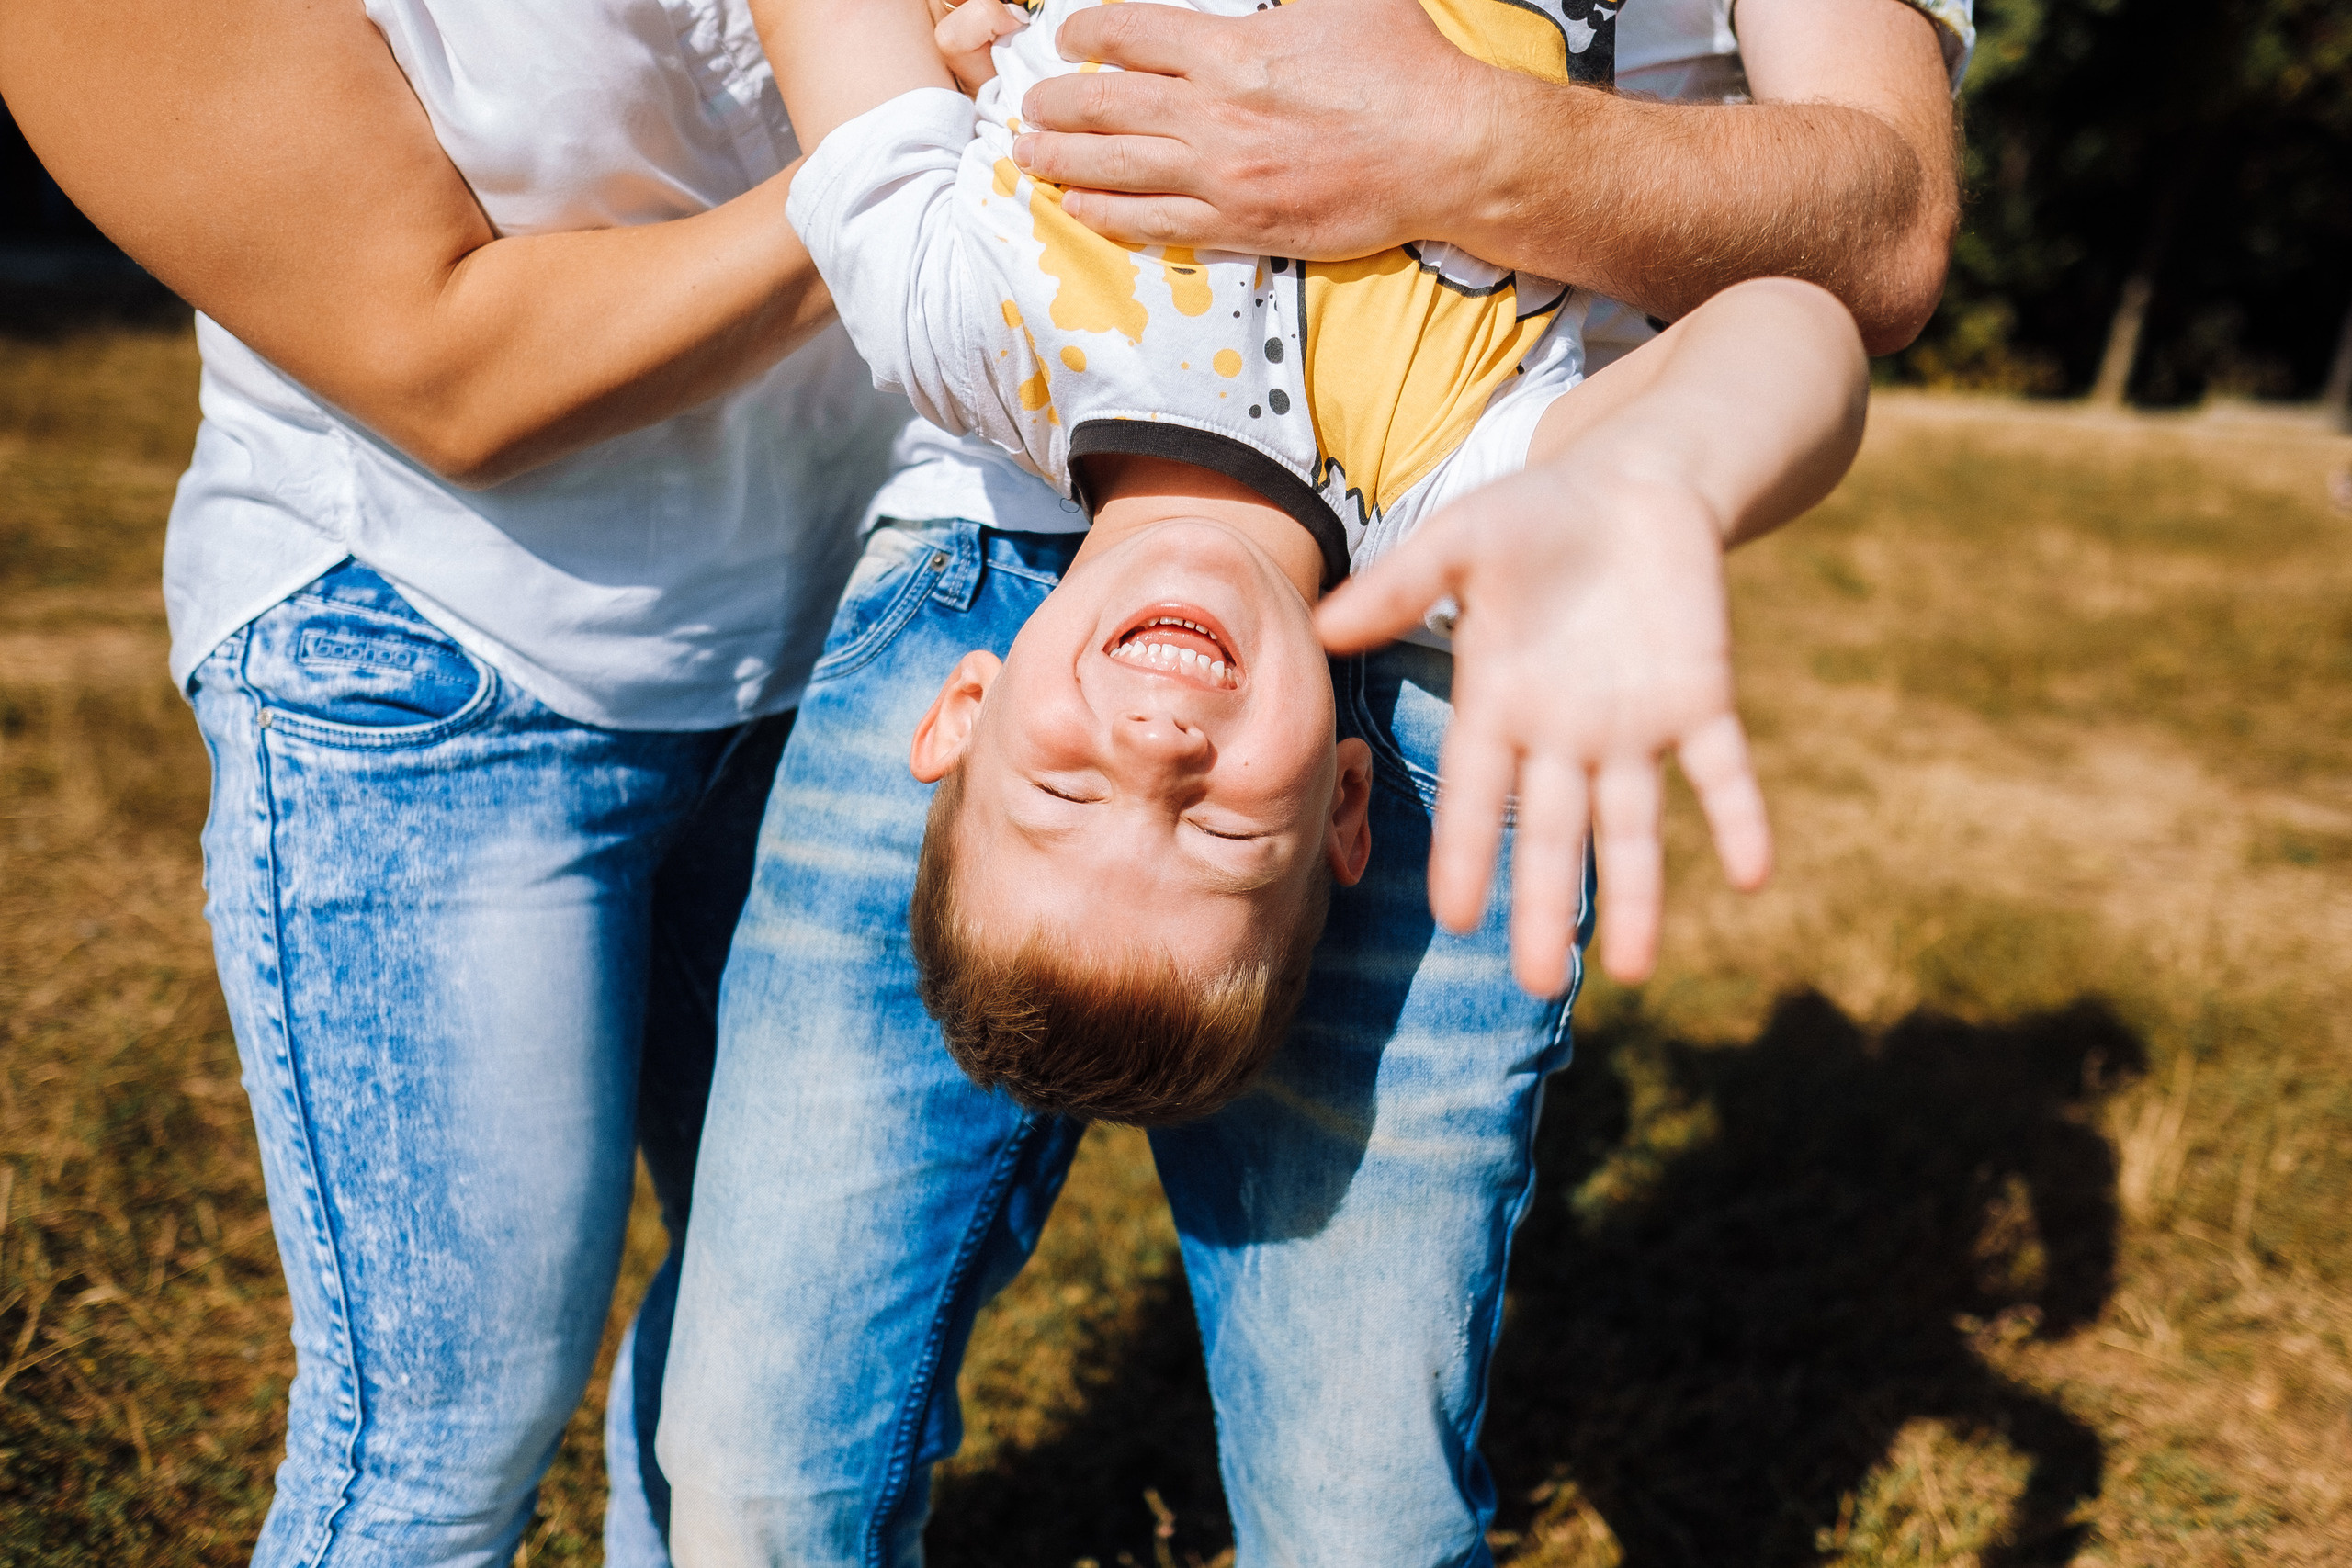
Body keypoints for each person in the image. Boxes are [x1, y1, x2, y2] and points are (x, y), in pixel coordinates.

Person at [657, 0, 1973, 1562]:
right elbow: (1802, 326)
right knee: (786, 1462)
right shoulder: (1473, 484)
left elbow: (1882, 223)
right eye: (1212, 820)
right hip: (1388, 602)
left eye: (1073, 795)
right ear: (1350, 808)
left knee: (769, 1466)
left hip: (1042, 546)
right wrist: (1661, 470)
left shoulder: (948, 319)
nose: (1156, 753)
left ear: (960, 717)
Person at [0, 3, 907, 1564]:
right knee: (441, 1442)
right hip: (447, 665)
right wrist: (913, 152)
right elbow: (451, 362)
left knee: (799, 1380)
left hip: (846, 617)